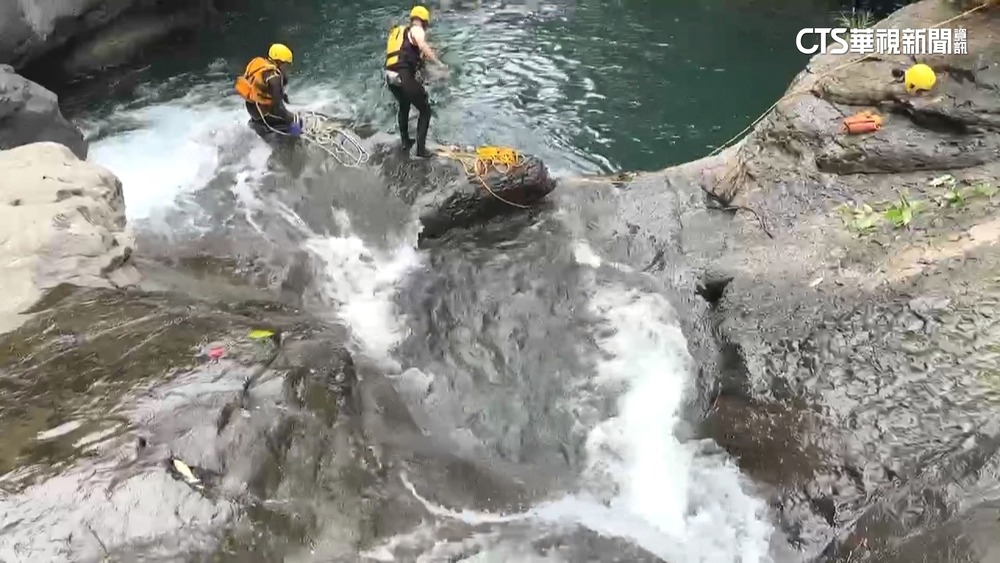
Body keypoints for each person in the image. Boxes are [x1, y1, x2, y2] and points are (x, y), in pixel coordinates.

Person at [384, 5, 447, 158]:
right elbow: (422, 45)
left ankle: (405, 142)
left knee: (404, 105)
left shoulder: (398, 32)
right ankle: (421, 150)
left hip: (390, 76)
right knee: (425, 110)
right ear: (424, 21)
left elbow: (405, 53)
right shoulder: (417, 29)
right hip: (403, 75)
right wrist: (439, 64)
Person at [235, 43, 302, 137]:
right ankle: (295, 143)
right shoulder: (274, 78)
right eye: (286, 64)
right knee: (297, 120)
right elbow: (278, 109)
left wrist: (282, 96)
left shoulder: (258, 64)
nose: (286, 68)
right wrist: (291, 119)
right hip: (263, 113)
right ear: (279, 62)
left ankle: (260, 125)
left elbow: (261, 88)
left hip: (252, 109)